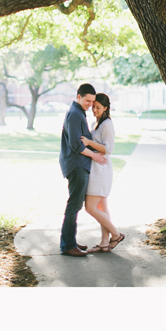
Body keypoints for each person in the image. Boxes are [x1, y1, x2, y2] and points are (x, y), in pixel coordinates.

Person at [59, 83, 107, 257]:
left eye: (92, 102)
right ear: (78, 97)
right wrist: (94, 155)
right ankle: (67, 245)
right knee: (74, 205)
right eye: (87, 101)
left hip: (79, 164)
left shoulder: (79, 113)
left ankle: (70, 240)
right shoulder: (74, 114)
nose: (90, 105)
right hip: (76, 165)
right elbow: (75, 144)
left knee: (75, 205)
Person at [81, 93, 125, 252]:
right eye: (93, 107)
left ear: (106, 108)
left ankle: (116, 234)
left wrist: (89, 142)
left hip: (101, 170)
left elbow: (109, 149)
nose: (94, 110)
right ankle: (105, 243)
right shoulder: (96, 122)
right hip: (96, 168)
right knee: (102, 206)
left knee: (90, 208)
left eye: (98, 108)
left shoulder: (107, 124)